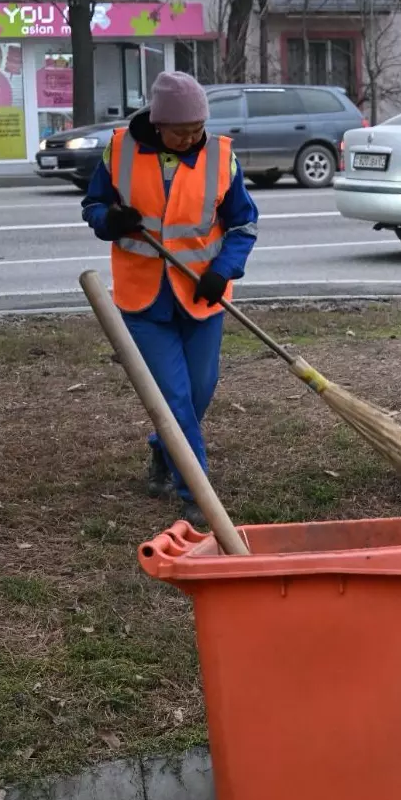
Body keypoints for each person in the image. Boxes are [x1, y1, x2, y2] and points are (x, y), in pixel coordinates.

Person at [81, 71, 259, 527]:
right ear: (159, 124)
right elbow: (94, 207)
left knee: (200, 391)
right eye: (181, 130)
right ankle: (196, 492)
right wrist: (113, 221)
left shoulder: (221, 157)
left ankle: (164, 451)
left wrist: (222, 272)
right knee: (175, 398)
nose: (192, 136)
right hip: (142, 300)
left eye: (198, 127)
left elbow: (243, 224)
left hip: (202, 296)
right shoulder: (119, 150)